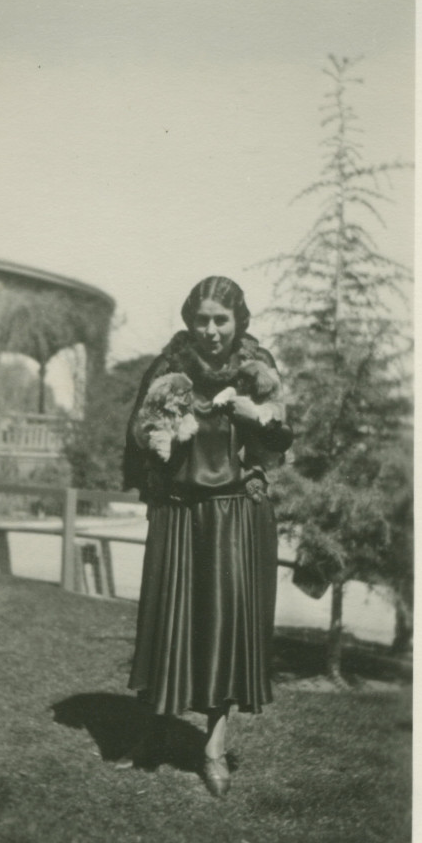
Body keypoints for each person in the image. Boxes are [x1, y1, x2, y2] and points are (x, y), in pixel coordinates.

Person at [123, 276, 292, 797]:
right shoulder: (168, 371)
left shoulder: (256, 372)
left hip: (233, 516)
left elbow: (280, 439)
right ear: (189, 321)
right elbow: (140, 444)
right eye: (203, 320)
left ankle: (213, 748)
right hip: (178, 515)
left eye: (222, 319)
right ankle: (152, 733)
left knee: (222, 630)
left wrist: (253, 413)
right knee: (168, 624)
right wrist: (167, 439)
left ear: (239, 320)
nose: (212, 330)